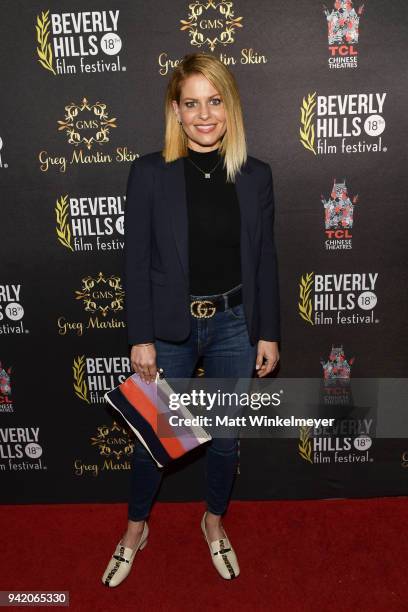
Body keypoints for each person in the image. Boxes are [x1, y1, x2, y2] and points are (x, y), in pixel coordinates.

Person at [102, 52, 280, 586]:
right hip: (168, 330)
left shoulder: (256, 176)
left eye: (215, 101)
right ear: (176, 112)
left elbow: (265, 258)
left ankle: (214, 523)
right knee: (153, 442)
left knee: (226, 441)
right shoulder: (151, 173)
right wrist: (142, 338)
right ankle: (136, 529)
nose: (205, 114)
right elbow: (135, 261)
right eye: (192, 103)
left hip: (233, 324)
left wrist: (267, 328)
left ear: (230, 106)